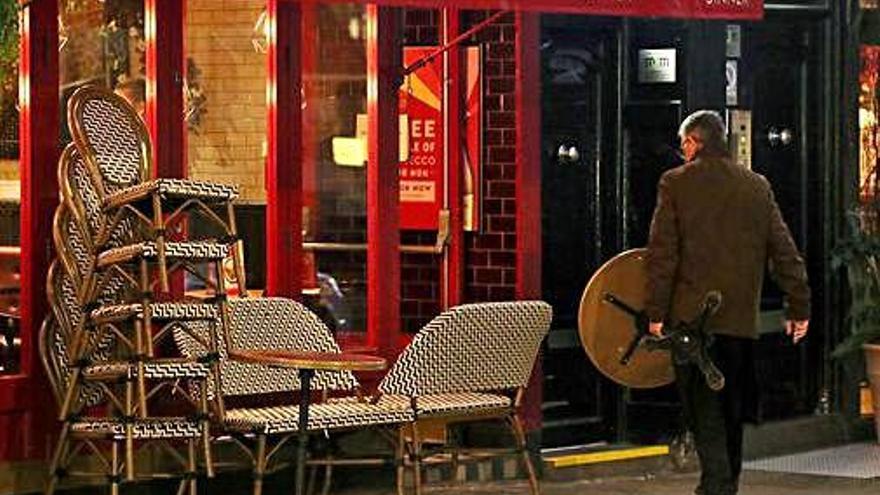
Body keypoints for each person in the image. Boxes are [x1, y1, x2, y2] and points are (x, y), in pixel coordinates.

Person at [644, 110, 811, 495]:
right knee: (731, 411)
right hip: (739, 320)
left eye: (683, 142)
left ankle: (716, 489)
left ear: (693, 142)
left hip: (692, 323)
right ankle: (726, 485)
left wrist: (656, 313)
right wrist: (798, 305)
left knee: (705, 415)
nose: (682, 150)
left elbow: (663, 254)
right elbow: (784, 252)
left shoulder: (675, 183)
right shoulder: (756, 186)